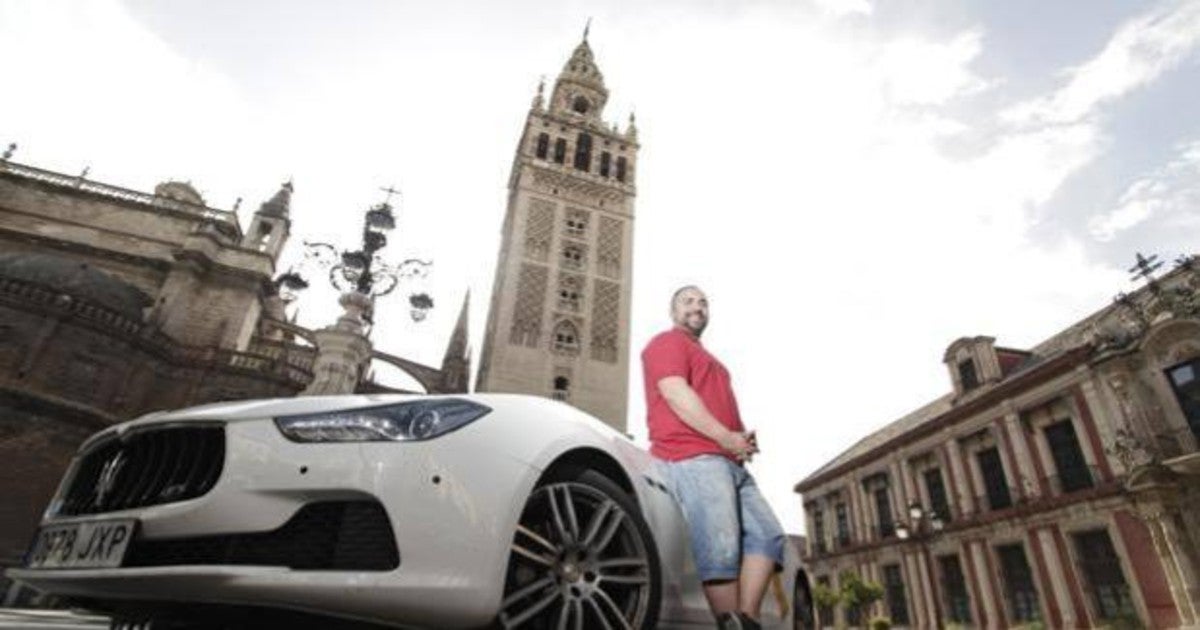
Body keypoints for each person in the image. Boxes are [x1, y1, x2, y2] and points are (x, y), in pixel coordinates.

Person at [641, 285, 786, 630]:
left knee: (769, 536)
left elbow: (713, 403)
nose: (698, 306)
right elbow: (675, 393)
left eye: (703, 302)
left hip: (729, 461)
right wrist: (725, 436)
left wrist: (739, 437)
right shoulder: (666, 342)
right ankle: (729, 621)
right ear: (673, 311)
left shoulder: (710, 358)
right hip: (692, 455)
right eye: (688, 301)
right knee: (722, 548)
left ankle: (743, 622)